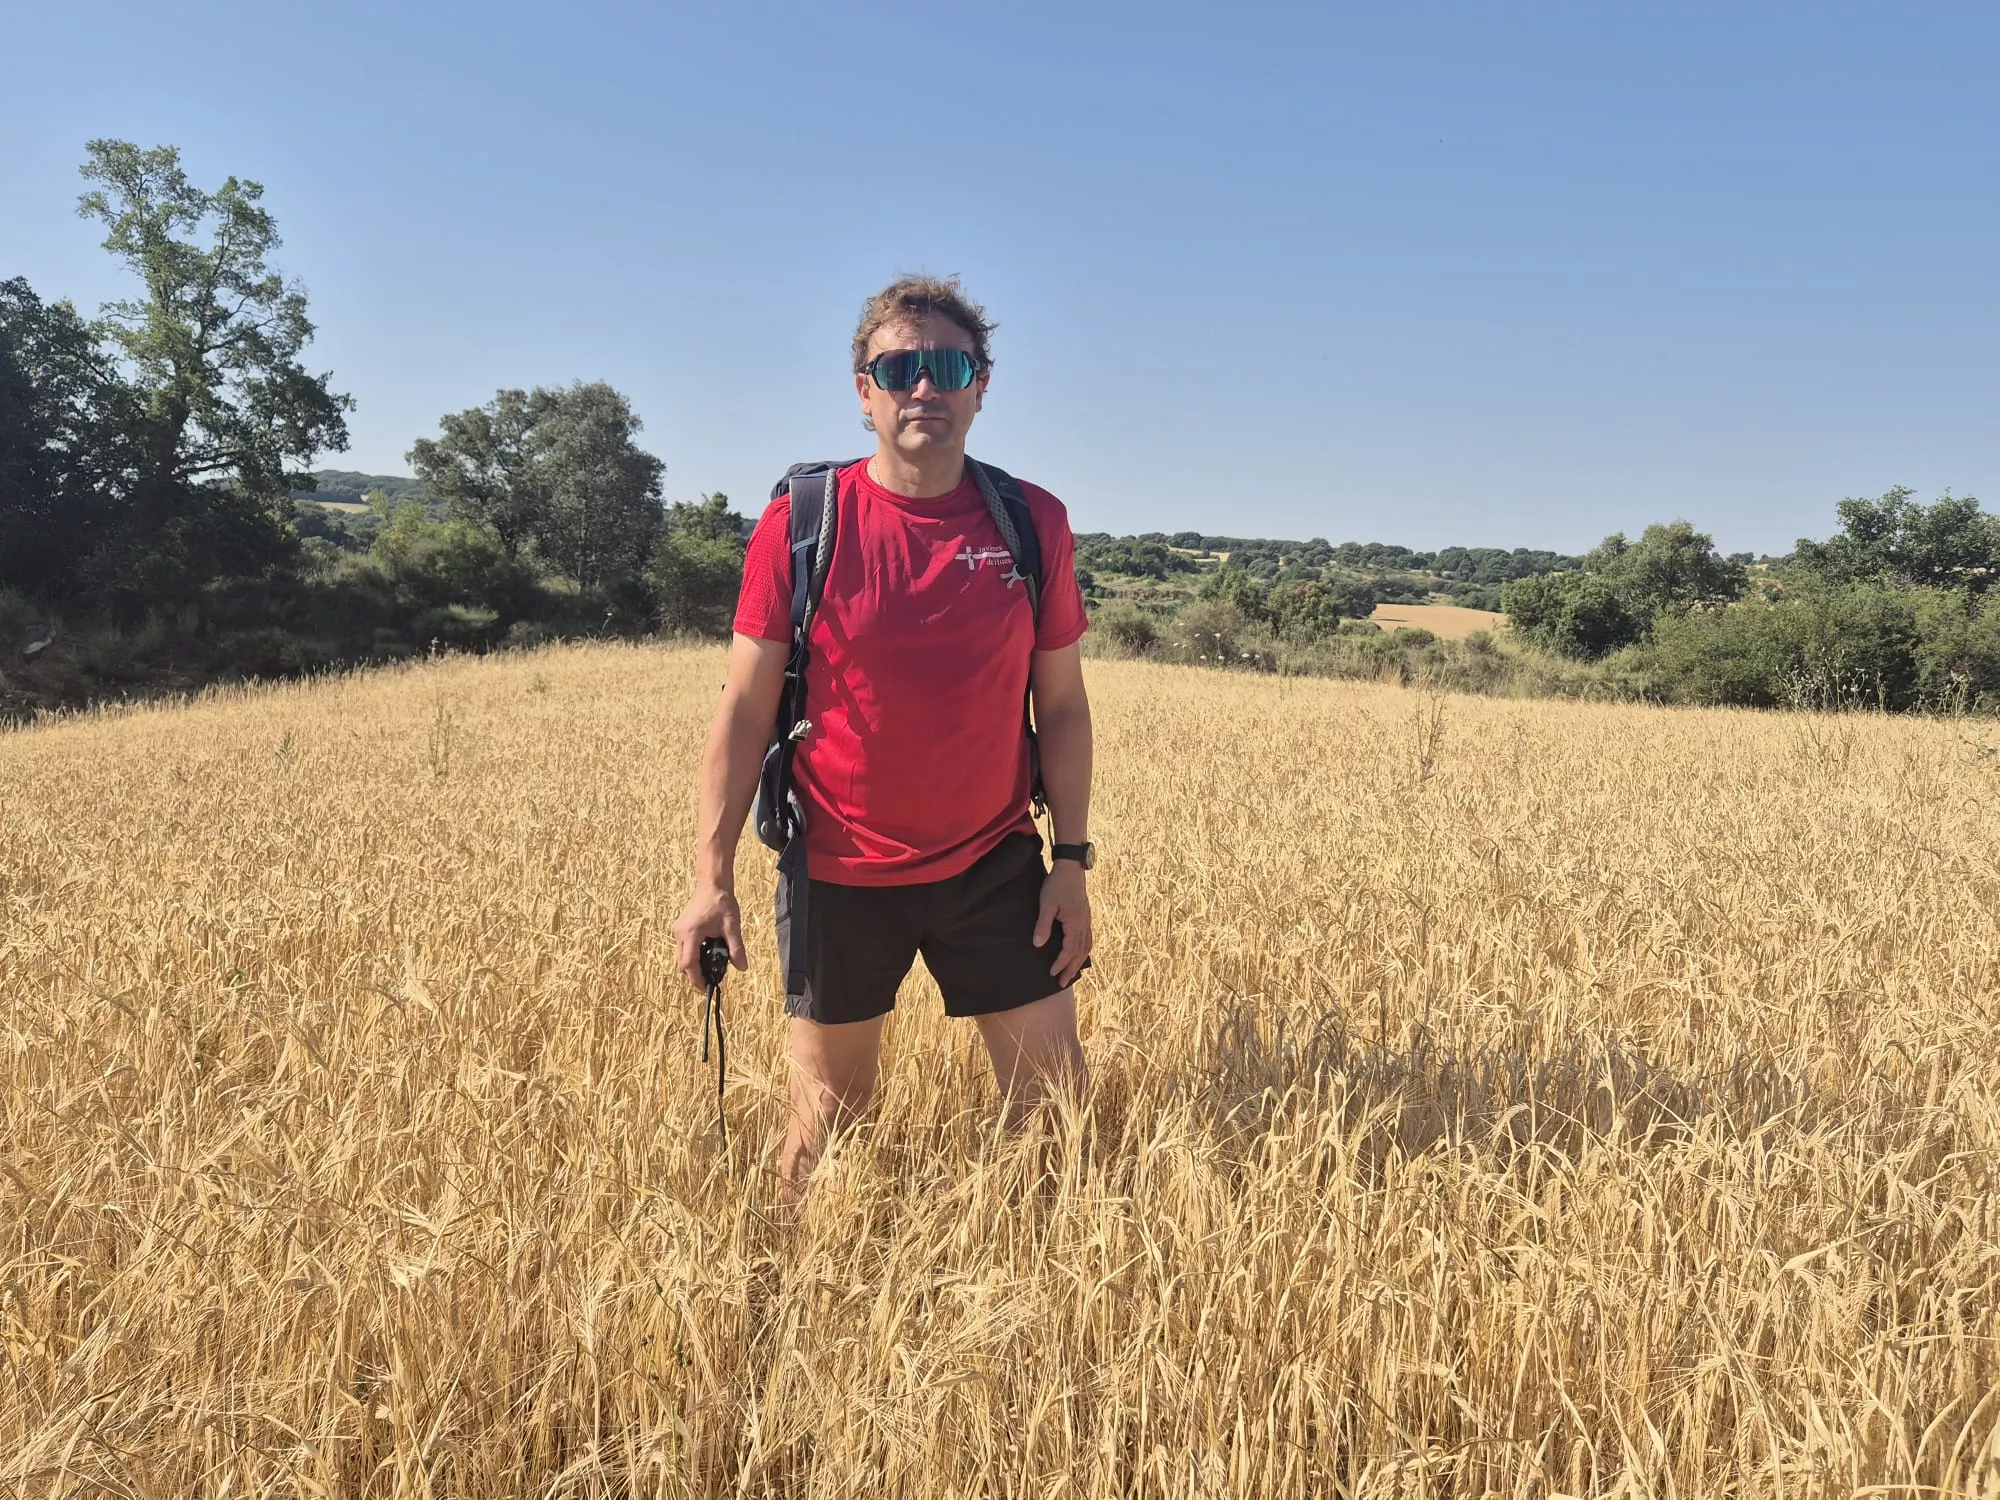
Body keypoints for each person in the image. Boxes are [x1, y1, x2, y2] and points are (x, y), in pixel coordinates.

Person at [670, 275, 1097, 1198]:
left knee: (1057, 1120)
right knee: (829, 1132)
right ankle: (787, 1314)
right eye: (899, 368)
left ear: (982, 386)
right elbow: (744, 710)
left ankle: (1043, 1318)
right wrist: (710, 880)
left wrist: (1071, 860)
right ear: (862, 391)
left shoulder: (1033, 524)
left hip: (994, 865)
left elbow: (1060, 705)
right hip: (839, 873)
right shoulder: (804, 524)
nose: (924, 389)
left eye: (948, 367)